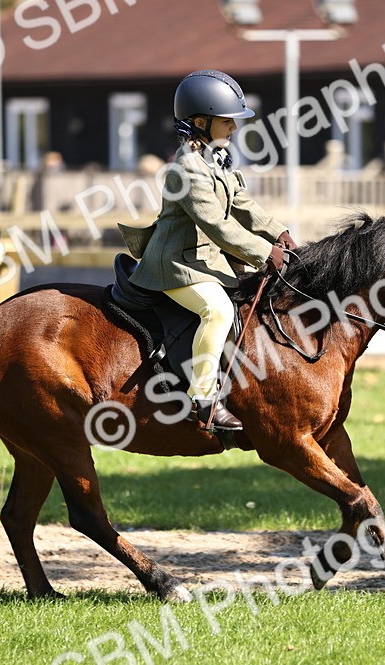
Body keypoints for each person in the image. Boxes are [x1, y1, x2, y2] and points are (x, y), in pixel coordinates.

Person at [122, 70, 297, 432]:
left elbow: (243, 204)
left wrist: (278, 231)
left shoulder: (216, 159)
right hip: (174, 266)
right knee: (216, 311)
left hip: (205, 261)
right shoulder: (186, 169)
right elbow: (217, 224)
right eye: (226, 120)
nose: (234, 127)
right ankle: (203, 398)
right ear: (200, 122)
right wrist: (264, 253)